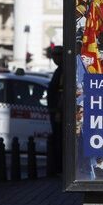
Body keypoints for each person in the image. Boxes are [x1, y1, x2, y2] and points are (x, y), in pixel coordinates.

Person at [47, 45, 64, 175]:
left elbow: (62, 92)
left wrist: (58, 110)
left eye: (56, 55)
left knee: (60, 140)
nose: (54, 58)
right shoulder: (59, 69)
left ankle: (59, 167)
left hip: (59, 111)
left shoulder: (63, 70)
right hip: (56, 110)